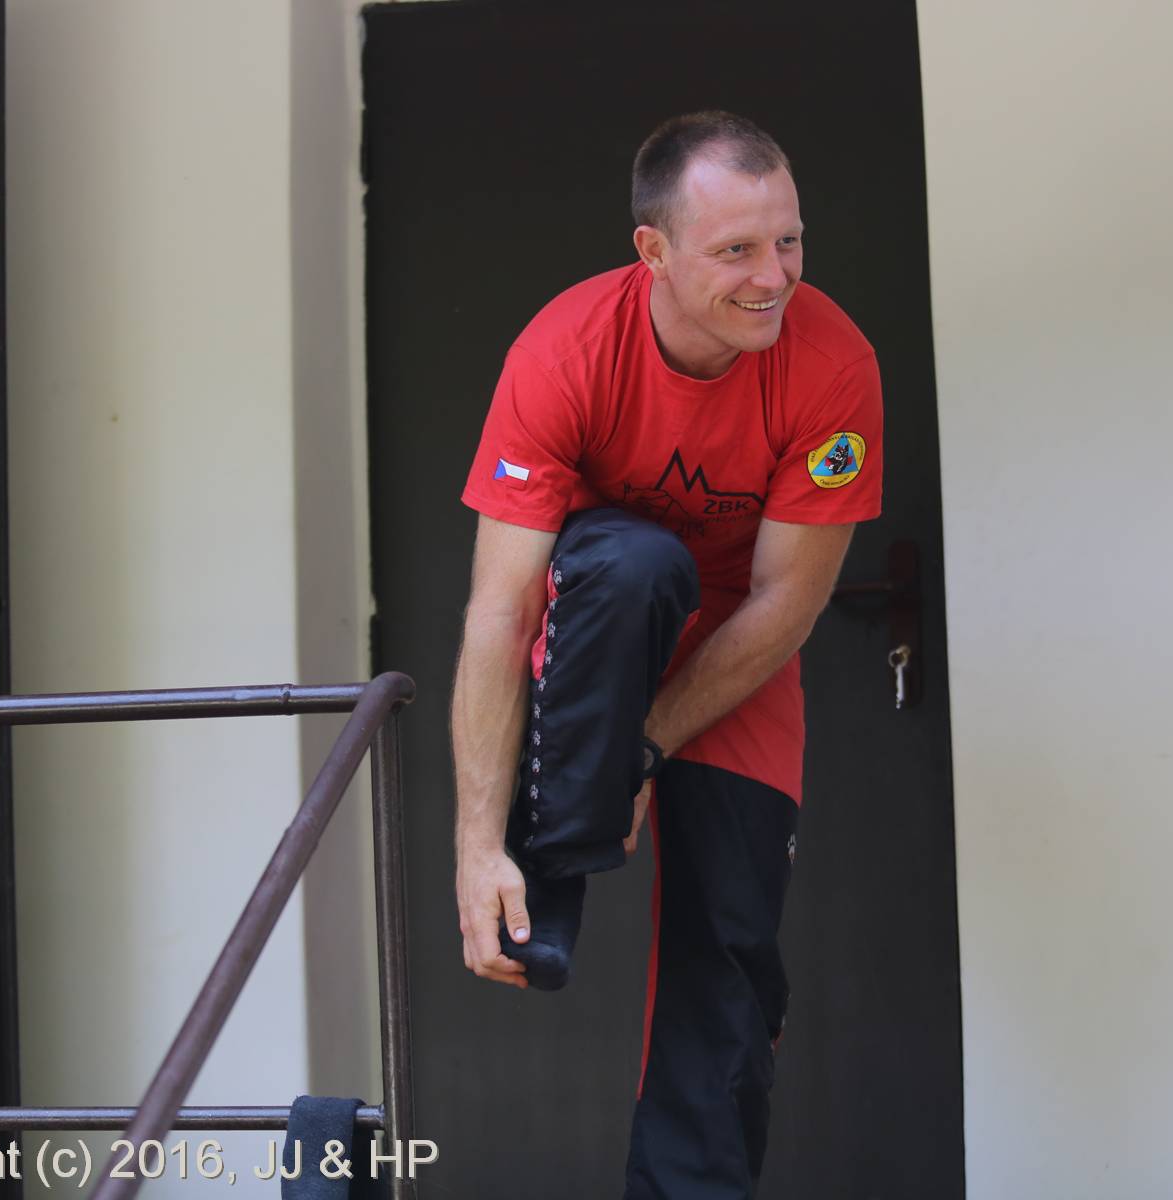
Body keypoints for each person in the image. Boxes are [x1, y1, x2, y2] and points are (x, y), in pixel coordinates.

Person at [450, 110, 883, 1198]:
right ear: (654, 249)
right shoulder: (565, 350)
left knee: (732, 950)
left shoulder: (833, 363)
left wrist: (645, 750)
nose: (773, 277)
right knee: (637, 562)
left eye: (788, 241)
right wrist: (475, 845)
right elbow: (500, 612)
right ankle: (553, 854)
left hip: (740, 645)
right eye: (736, 249)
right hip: (602, 618)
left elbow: (787, 605)